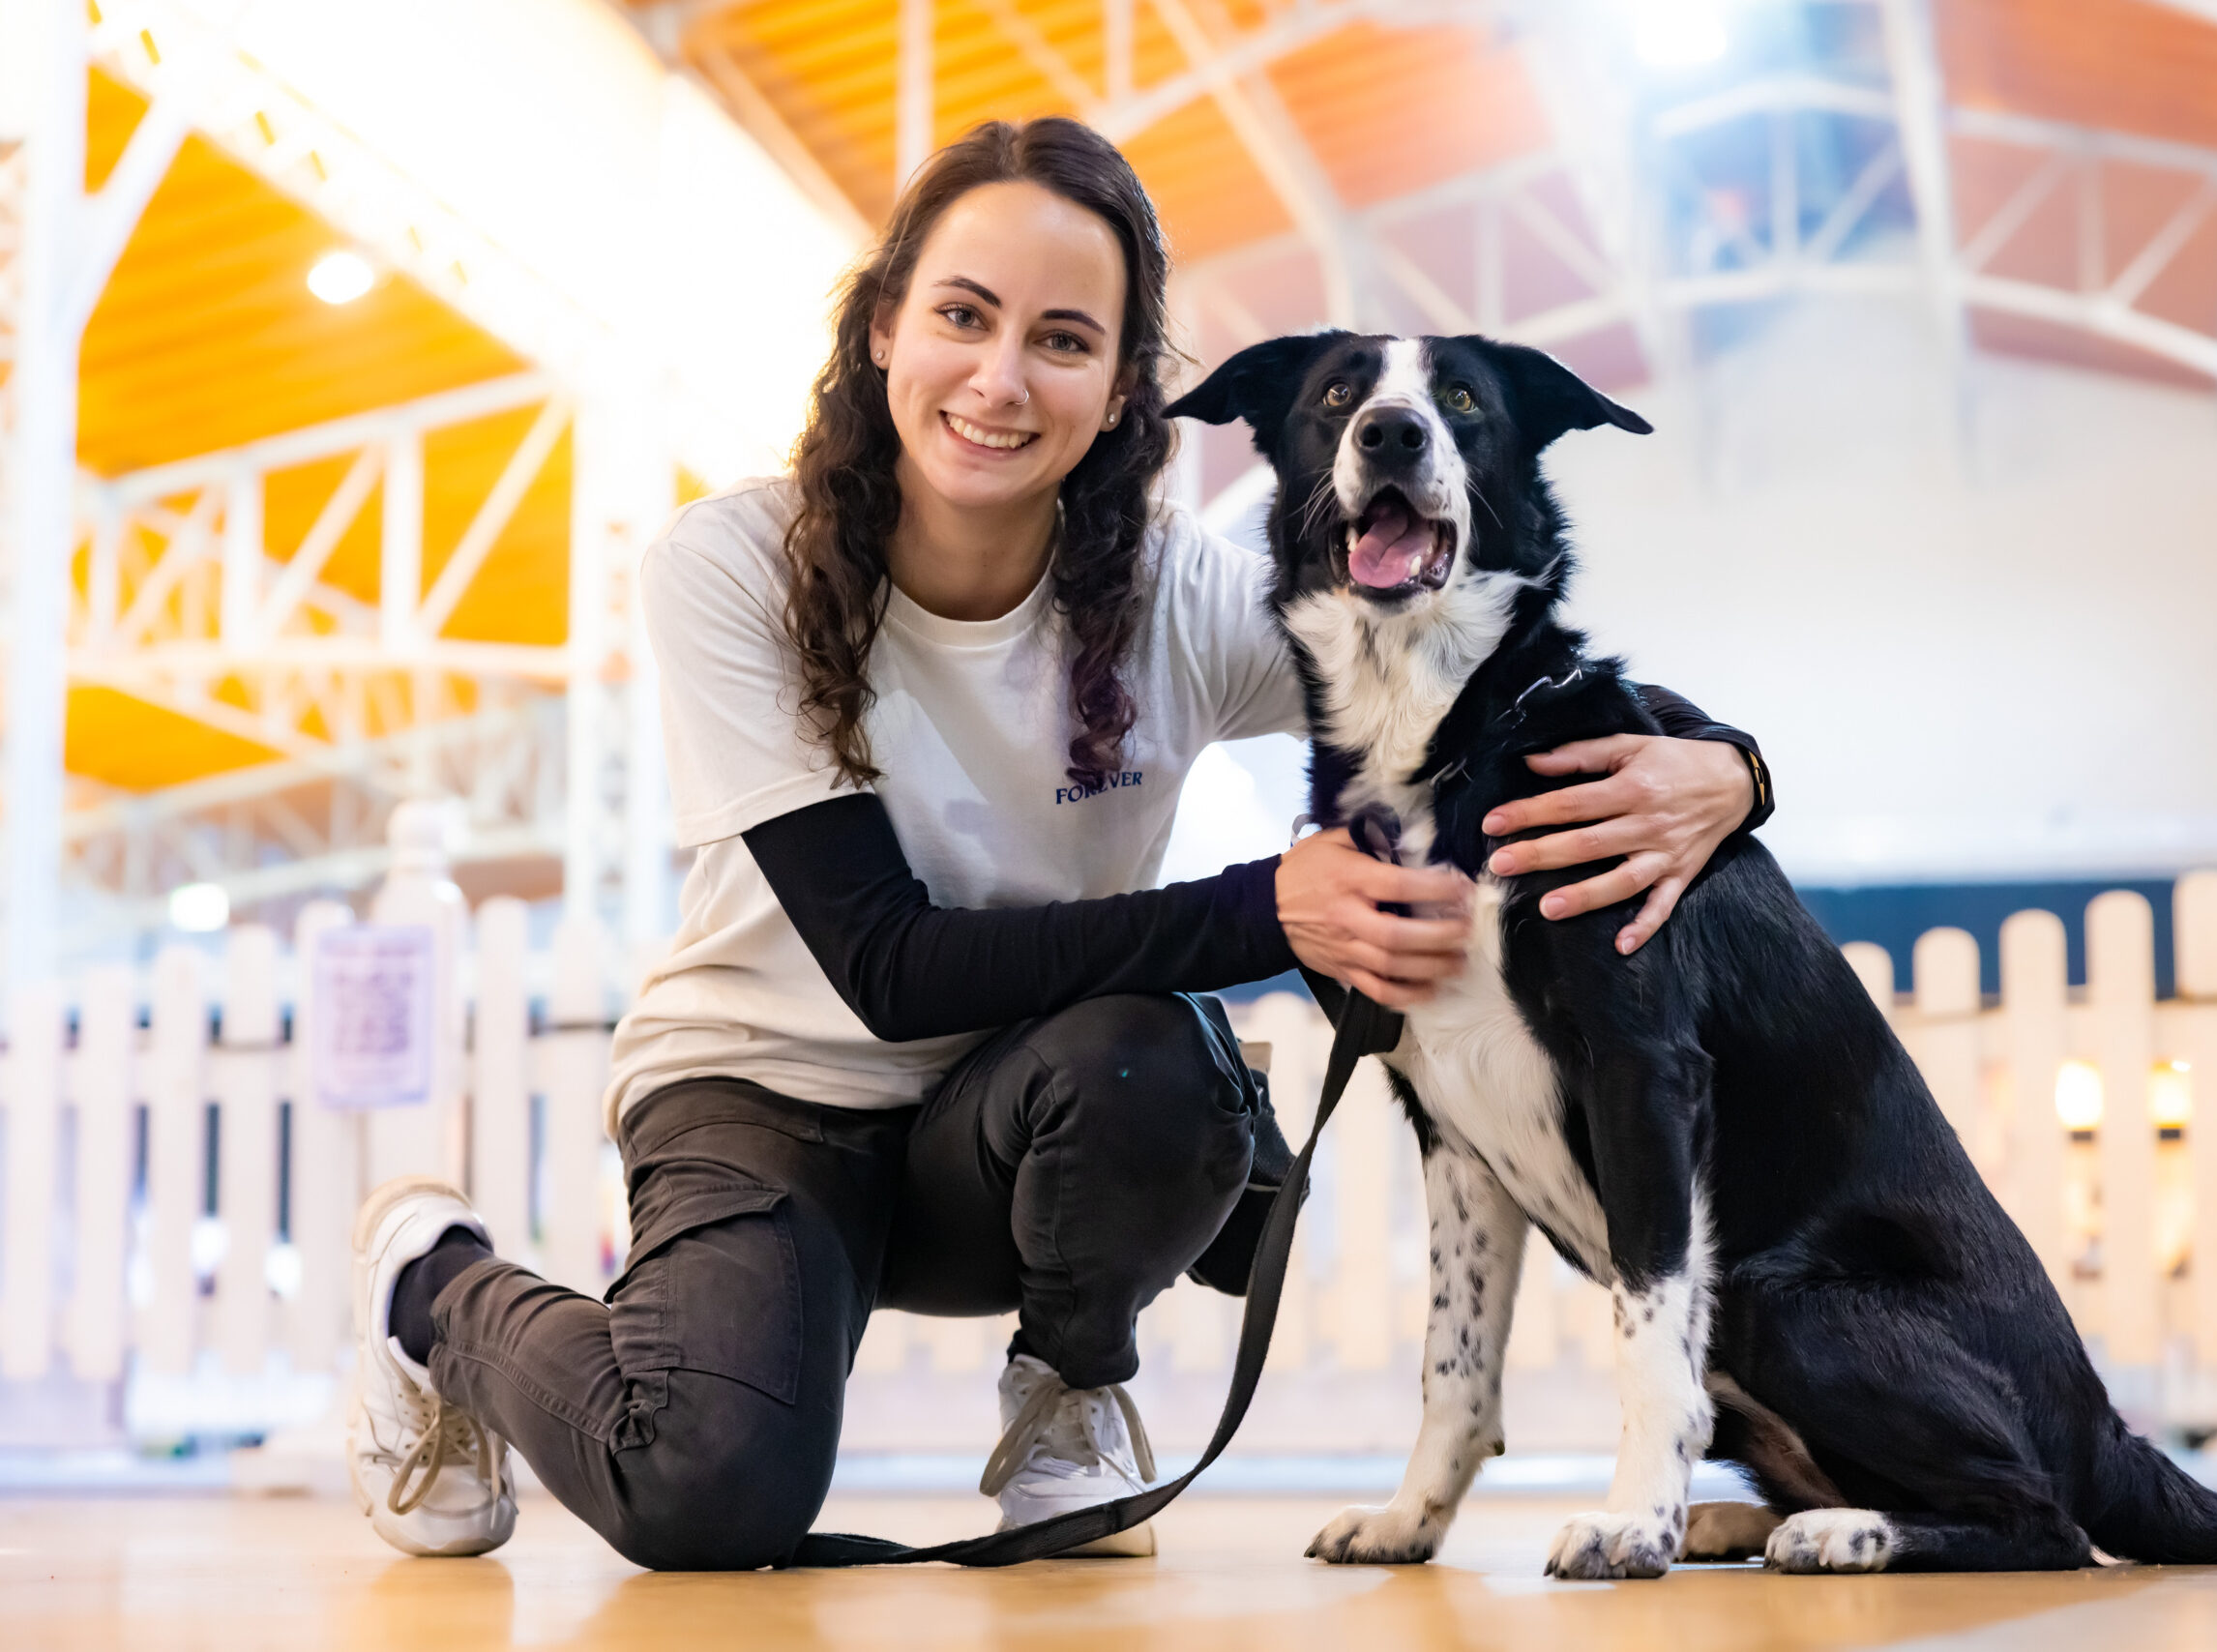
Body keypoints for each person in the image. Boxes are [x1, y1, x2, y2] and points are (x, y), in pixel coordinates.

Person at [342, 117, 1773, 1571]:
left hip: (1021, 1130)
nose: (1001, 379)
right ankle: (432, 1290)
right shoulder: (728, 568)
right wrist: (1271, 908)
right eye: (964, 317)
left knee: (1154, 1056)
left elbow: (1488, 676)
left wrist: (1727, 766)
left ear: (1121, 391)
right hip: (763, 1099)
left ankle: (1070, 1393)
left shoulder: (1182, 596)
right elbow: (888, 968)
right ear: (886, 327)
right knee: (705, 1494)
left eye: (1064, 340)